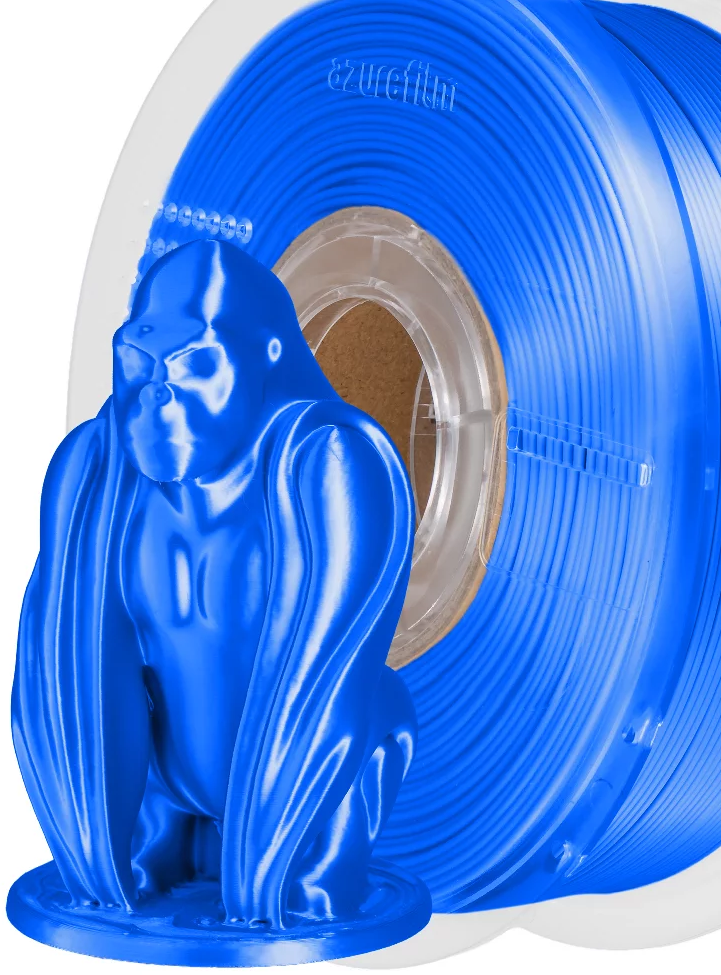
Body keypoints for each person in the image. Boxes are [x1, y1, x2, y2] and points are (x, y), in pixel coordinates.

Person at [12, 239, 417, 929]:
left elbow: (323, 676)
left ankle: (310, 874)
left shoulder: (326, 461)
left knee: (378, 704)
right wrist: (92, 864)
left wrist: (257, 888)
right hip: (164, 785)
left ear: (267, 356)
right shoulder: (95, 469)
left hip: (315, 785)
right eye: (139, 362)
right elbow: (64, 662)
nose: (157, 394)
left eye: (196, 364)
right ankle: (155, 853)